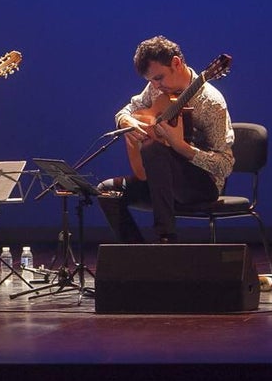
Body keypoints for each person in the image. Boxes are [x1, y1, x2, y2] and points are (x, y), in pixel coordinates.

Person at [96, 36, 233, 243]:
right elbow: (127, 110)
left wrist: (182, 147)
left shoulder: (211, 103)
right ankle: (139, 256)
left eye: (158, 78)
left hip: (201, 185)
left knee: (153, 149)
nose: (155, 86)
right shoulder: (157, 88)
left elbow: (225, 166)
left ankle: (166, 240)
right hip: (160, 181)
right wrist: (125, 121)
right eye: (150, 81)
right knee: (107, 191)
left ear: (176, 63)